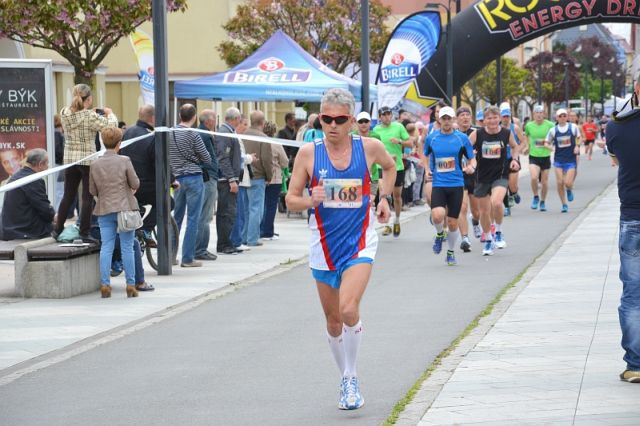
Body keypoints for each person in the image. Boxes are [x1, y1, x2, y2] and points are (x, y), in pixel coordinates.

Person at [285, 88, 396, 410]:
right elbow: (291, 199)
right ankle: (344, 374)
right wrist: (311, 200)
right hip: (323, 246)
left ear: (351, 121)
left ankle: (351, 378)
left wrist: (384, 198)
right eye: (326, 119)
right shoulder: (309, 153)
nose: (332, 125)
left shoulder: (369, 147)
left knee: (348, 310)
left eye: (340, 119)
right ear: (320, 119)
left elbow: (390, 167)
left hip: (360, 242)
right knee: (334, 322)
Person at [606, 77, 640, 382]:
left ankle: (635, 365)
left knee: (633, 293)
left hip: (632, 217)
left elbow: (616, 159)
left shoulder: (616, 127)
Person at [54, 83, 118, 241]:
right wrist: (110, 113)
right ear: (88, 99)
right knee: (87, 198)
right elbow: (111, 127)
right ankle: (84, 232)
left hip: (70, 159)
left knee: (68, 195)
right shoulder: (90, 116)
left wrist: (92, 112)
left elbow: (78, 116)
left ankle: (57, 229)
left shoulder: (64, 112)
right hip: (88, 160)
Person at [89, 128, 139, 299]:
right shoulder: (125, 160)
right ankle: (131, 285)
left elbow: (92, 190)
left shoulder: (95, 164)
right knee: (127, 247)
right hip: (125, 208)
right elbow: (135, 183)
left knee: (106, 247)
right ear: (119, 143)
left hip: (104, 208)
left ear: (103, 142)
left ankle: (105, 285)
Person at [423, 106, 476, 266]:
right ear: (439, 120)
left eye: (449, 119)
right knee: (437, 215)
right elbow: (425, 154)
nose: (446, 121)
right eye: (443, 119)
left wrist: (471, 166)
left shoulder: (462, 138)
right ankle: (440, 234)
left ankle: (451, 252)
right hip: (439, 183)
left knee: (453, 222)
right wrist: (426, 169)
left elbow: (471, 158)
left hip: (456, 184)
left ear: (453, 120)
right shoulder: (432, 138)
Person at [469, 105, 520, 256]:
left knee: (497, 203)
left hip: (500, 175)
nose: (492, 121)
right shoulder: (477, 134)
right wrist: (470, 159)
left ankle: (498, 231)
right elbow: (464, 149)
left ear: (499, 118)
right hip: (482, 177)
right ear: (484, 120)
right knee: (484, 212)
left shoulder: (506, 133)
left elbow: (515, 146)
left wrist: (515, 160)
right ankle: (488, 239)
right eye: (489, 118)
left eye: (495, 117)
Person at [169, 104, 211, 267]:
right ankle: (187, 258)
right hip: (194, 178)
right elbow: (206, 158)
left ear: (180, 115)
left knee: (176, 218)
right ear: (194, 117)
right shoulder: (194, 134)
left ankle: (170, 256)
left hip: (177, 179)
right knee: (193, 219)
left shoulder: (170, 132)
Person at [120, 105, 157, 245]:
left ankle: (135, 231)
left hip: (127, 185)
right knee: (168, 202)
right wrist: (171, 180)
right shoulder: (151, 136)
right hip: (145, 185)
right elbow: (158, 163)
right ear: (152, 118)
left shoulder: (127, 132)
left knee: (137, 205)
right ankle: (146, 229)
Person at [373, 106, 412, 237]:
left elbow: (410, 143)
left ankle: (396, 220)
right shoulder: (376, 130)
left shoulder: (398, 127)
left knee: (397, 196)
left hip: (397, 167)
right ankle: (387, 225)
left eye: (388, 114)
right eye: (384, 115)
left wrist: (399, 141)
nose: (387, 117)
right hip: (380, 167)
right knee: (384, 194)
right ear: (380, 117)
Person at [1, 149, 55, 240]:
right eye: (47, 163)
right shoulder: (34, 179)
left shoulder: (16, 176)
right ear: (40, 164)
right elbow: (44, 209)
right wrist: (55, 217)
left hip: (10, 228)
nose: (48, 166)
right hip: (24, 230)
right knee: (57, 229)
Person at [242, 111, 272, 247]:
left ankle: (244, 237)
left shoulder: (242, 135)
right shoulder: (263, 138)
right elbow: (266, 160)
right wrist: (269, 176)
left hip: (244, 176)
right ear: (262, 122)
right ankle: (252, 238)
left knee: (246, 209)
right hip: (258, 176)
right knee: (256, 209)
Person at [216, 107, 243, 255]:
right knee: (227, 213)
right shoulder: (225, 133)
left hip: (228, 179)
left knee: (229, 212)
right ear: (235, 118)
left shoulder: (228, 132)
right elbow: (223, 158)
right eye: (239, 118)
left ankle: (227, 242)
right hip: (226, 181)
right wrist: (231, 179)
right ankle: (224, 244)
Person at [194, 109, 219, 261]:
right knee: (205, 215)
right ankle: (200, 249)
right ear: (209, 121)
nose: (215, 122)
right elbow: (207, 158)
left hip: (207, 176)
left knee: (203, 215)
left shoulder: (201, 133)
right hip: (208, 177)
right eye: (214, 119)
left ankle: (199, 248)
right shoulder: (204, 134)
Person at [544, 108, 580, 213]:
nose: (563, 118)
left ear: (567, 117)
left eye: (564, 115)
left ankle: (569, 189)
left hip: (570, 159)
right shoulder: (553, 130)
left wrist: (577, 146)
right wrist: (550, 147)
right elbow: (546, 142)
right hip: (558, 160)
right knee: (559, 182)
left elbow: (579, 138)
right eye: (560, 116)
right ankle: (564, 204)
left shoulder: (573, 127)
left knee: (568, 182)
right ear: (557, 118)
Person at [455, 106, 479, 251]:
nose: (465, 117)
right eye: (462, 115)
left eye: (467, 115)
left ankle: (476, 222)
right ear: (457, 119)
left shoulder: (477, 133)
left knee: (476, 211)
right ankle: (465, 238)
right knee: (462, 208)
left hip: (475, 175)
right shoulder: (453, 135)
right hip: (460, 176)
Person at [261, 121, 289, 240]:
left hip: (261, 177)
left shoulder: (259, 141)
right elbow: (285, 161)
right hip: (275, 178)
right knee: (271, 206)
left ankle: (261, 229)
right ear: (274, 131)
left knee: (262, 205)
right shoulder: (276, 144)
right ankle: (268, 231)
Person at [524, 104, 554, 212]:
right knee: (534, 177)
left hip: (545, 156)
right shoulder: (529, 125)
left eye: (541, 113)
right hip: (534, 155)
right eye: (537, 113)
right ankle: (536, 196)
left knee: (544, 182)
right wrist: (527, 146)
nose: (539, 115)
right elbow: (526, 135)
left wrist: (551, 145)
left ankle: (543, 201)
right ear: (534, 114)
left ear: (544, 114)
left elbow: (555, 136)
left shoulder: (550, 125)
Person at [499, 106, 524, 216]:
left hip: (513, 158)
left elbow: (523, 142)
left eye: (507, 116)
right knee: (503, 184)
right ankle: (506, 207)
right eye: (504, 116)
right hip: (500, 160)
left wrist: (518, 149)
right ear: (500, 117)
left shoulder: (515, 128)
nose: (505, 118)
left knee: (512, 185)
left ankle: (514, 193)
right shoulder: (497, 128)